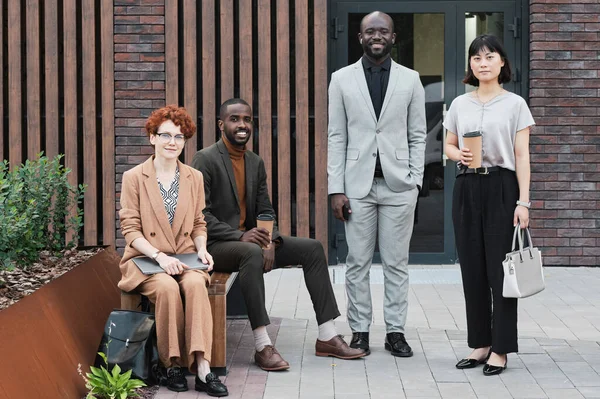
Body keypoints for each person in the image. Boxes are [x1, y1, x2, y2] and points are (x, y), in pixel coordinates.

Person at [191, 98, 367, 372]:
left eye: (247, 119)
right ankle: (262, 345)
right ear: (220, 124)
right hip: (215, 245)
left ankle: (327, 335)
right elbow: (201, 214)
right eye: (235, 119)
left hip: (250, 240)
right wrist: (241, 237)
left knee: (312, 248)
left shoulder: (254, 162)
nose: (242, 125)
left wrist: (269, 240)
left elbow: (265, 209)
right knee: (249, 251)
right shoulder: (205, 159)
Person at [327, 11, 426, 357]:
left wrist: (415, 181)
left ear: (393, 38)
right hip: (357, 188)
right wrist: (335, 189)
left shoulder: (411, 80)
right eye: (371, 31)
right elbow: (336, 137)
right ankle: (360, 331)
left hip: (400, 186)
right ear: (360, 37)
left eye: (383, 31)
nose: (377, 36)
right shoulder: (341, 79)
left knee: (397, 263)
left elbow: (417, 135)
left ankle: (395, 332)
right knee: (357, 263)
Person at [118, 105, 228, 396]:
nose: (172, 142)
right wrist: (159, 257)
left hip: (184, 256)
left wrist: (202, 250)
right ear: (152, 138)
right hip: (146, 259)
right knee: (166, 288)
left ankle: (203, 367)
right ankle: (173, 365)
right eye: (165, 135)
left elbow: (198, 223)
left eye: (179, 137)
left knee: (195, 284)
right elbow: (131, 230)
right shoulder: (134, 177)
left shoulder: (193, 177)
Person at [444, 34, 534, 376]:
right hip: (466, 187)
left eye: (489, 56)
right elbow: (449, 146)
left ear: (501, 63)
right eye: (476, 58)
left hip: (501, 187)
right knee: (473, 270)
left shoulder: (515, 104)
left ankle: (501, 349)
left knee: (501, 273)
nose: (483, 63)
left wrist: (523, 202)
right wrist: (459, 154)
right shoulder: (459, 104)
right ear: (470, 65)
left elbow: (523, 156)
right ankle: (480, 344)